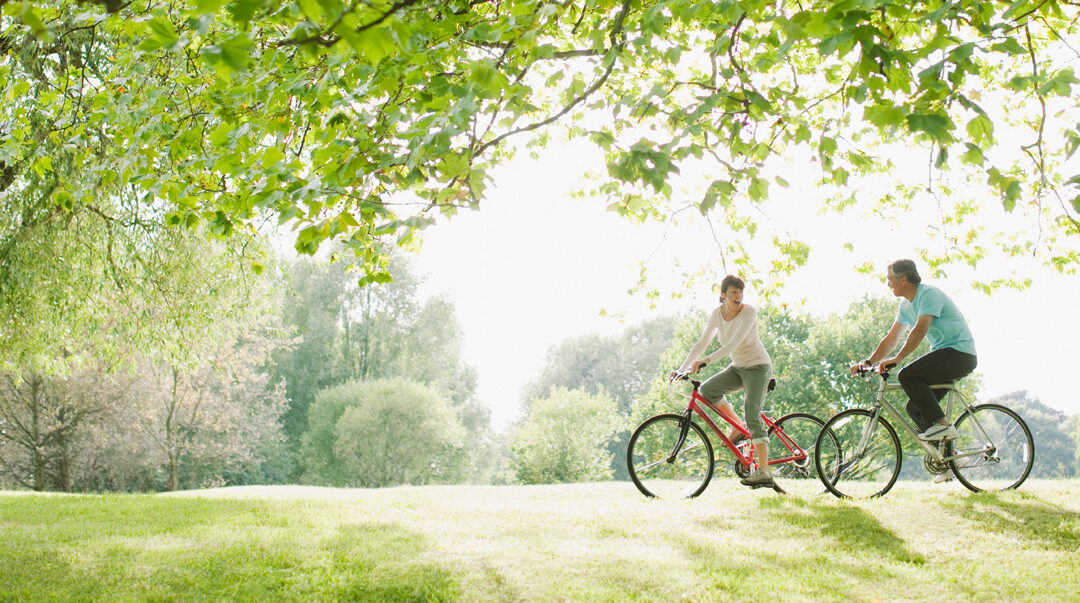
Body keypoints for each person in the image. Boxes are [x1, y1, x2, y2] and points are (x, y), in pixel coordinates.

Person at [850, 259, 977, 445]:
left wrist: (898, 358)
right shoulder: (906, 306)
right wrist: (868, 363)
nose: (888, 284)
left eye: (890, 279)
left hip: (960, 354)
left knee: (908, 375)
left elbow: (920, 329)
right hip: (944, 355)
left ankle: (943, 425)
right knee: (915, 408)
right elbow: (891, 338)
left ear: (903, 280)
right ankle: (949, 459)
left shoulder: (928, 294)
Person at [673, 275, 776, 488]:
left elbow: (733, 343)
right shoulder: (717, 315)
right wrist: (681, 369)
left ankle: (765, 471)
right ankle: (738, 427)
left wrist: (707, 361)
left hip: (758, 368)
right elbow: (702, 342)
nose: (738, 296)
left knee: (752, 414)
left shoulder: (749, 312)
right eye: (733, 293)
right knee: (707, 390)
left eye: (740, 292)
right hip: (738, 368)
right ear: (723, 295)